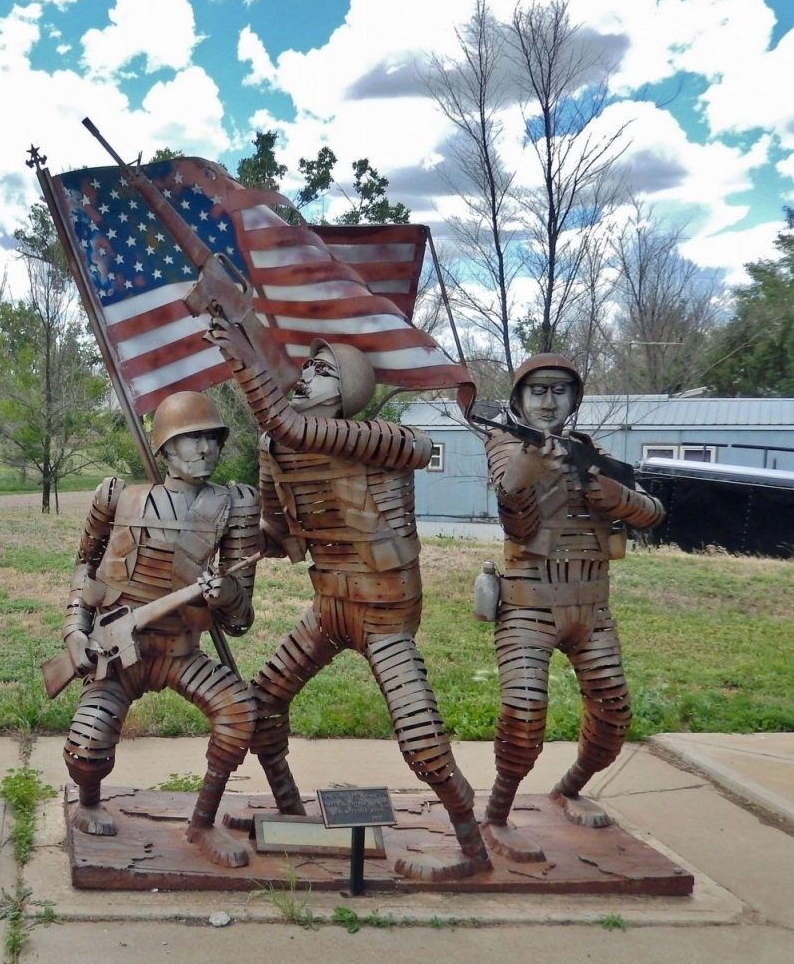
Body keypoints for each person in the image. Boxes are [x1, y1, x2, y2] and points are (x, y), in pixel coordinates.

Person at [217, 333, 491, 879]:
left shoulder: (384, 439)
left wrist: (243, 356)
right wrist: (233, 532)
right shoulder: (278, 448)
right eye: (307, 368)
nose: (304, 377)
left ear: (351, 389)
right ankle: (290, 810)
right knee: (262, 704)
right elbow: (280, 534)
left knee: (419, 736)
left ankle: (471, 850)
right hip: (330, 605)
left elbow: (293, 425)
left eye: (322, 371)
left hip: (384, 611)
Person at [57, 391, 259, 865]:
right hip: (117, 653)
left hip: (180, 651)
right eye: (192, 438)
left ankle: (202, 823)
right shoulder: (116, 497)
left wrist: (224, 593)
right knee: (86, 748)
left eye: (213, 438)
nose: (206, 448)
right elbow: (85, 567)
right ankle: (88, 803)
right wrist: (75, 632)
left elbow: (240, 619)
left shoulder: (235, 506)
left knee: (239, 714)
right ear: (165, 448)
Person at [482, 353, 664, 860]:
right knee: (524, 713)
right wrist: (532, 464)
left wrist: (609, 494)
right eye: (537, 390)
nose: (548, 401)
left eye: (559, 390)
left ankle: (569, 788)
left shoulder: (592, 453)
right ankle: (496, 813)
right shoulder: (508, 444)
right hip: (529, 606)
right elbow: (511, 499)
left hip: (591, 608)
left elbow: (652, 511)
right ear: (519, 400)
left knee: (613, 715)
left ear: (575, 399)